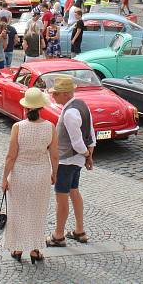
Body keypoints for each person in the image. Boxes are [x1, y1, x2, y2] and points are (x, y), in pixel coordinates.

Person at [2, 87, 58, 264]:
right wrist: (54, 173)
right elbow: (54, 155)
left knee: (17, 210)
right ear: (41, 107)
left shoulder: (18, 127)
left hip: (19, 173)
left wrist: (4, 178)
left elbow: (11, 156)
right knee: (37, 211)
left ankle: (17, 248)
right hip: (41, 173)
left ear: (26, 108)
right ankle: (35, 250)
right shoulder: (50, 127)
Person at [45, 75, 94, 249]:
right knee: (74, 192)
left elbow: (77, 141)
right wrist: (89, 155)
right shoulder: (82, 105)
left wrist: (86, 153)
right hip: (77, 160)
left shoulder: (70, 113)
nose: (53, 96)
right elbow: (91, 132)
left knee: (62, 198)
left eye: (56, 93)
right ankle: (79, 230)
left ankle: (58, 235)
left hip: (66, 161)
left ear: (65, 94)